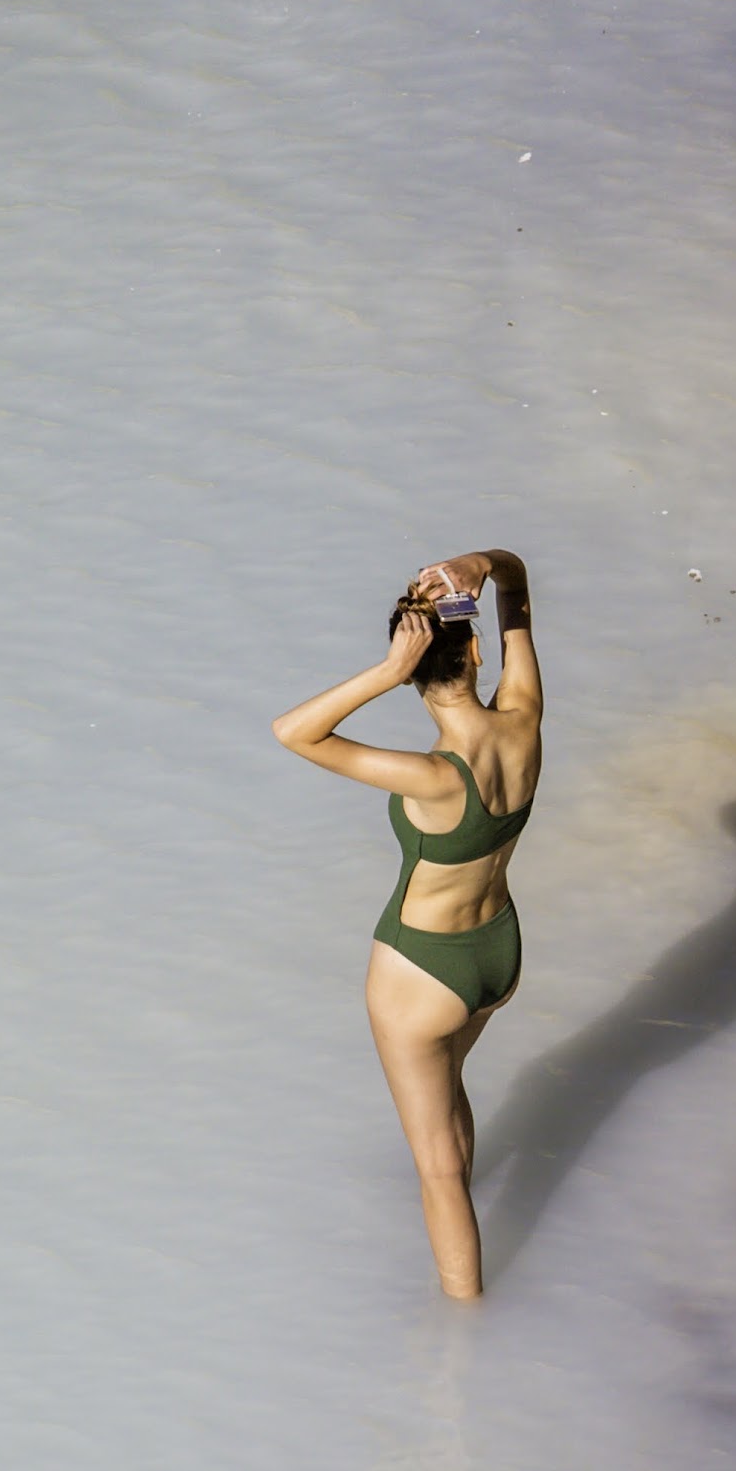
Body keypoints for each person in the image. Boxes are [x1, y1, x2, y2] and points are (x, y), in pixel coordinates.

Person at [271, 551, 542, 1300]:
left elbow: (295, 731)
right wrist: (484, 566)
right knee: (447, 1101)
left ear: (411, 666)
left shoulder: (431, 776)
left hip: (420, 974)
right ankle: (457, 1203)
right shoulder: (524, 721)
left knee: (437, 1168)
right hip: (498, 956)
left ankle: (465, 1331)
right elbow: (518, 587)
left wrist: (385, 674)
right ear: (479, 650)